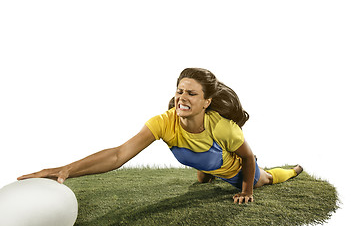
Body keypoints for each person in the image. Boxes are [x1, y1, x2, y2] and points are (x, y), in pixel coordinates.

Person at [18, 68, 303, 204]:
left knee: (263, 178)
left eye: (191, 93)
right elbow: (118, 155)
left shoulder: (222, 127)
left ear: (206, 102)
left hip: (235, 170)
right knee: (203, 171)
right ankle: (205, 172)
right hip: (205, 161)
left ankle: (292, 170)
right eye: (180, 91)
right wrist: (63, 170)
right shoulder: (163, 123)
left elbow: (248, 157)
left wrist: (246, 191)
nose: (182, 98)